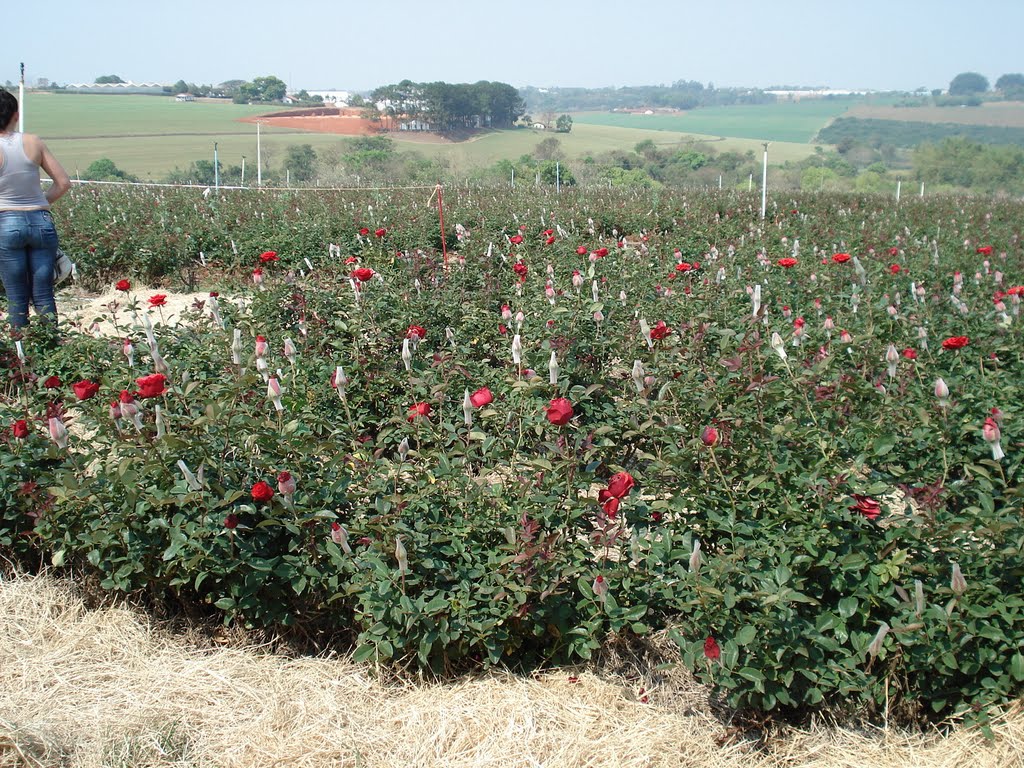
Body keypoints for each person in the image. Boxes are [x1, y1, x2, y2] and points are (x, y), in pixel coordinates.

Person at [0, 89, 72, 328]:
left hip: (6, 224)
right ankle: (50, 348)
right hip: (41, 221)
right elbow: (63, 183)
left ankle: (22, 356)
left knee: (16, 296)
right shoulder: (33, 142)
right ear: (16, 114)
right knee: (44, 294)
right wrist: (40, 203)